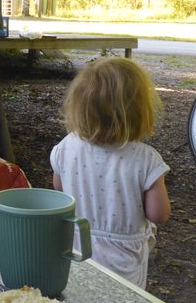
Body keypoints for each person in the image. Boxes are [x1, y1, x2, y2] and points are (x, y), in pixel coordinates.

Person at [50, 57, 171, 289]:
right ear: (138, 110)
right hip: (124, 260)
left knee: (82, 299)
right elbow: (159, 214)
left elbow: (59, 190)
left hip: (77, 247)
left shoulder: (66, 146)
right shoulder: (146, 159)